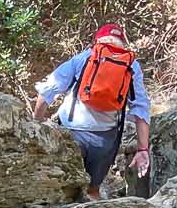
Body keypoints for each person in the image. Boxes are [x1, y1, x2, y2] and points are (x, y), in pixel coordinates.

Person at [31, 24, 151, 197]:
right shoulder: (132, 67)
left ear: (96, 41)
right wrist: (142, 150)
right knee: (92, 190)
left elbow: (48, 90)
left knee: (63, 186)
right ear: (123, 43)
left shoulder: (84, 58)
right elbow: (141, 108)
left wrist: (37, 123)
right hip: (104, 140)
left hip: (70, 133)